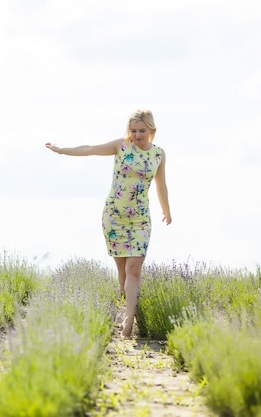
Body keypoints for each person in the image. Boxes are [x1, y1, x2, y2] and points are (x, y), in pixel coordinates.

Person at [45, 109, 172, 338]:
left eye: (142, 130)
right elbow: (89, 149)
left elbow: (161, 185)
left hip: (140, 219)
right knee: (123, 272)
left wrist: (166, 210)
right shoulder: (121, 146)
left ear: (151, 130)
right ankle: (129, 308)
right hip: (114, 216)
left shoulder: (158, 155)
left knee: (134, 268)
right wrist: (62, 150)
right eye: (133, 130)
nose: (137, 134)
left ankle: (129, 321)